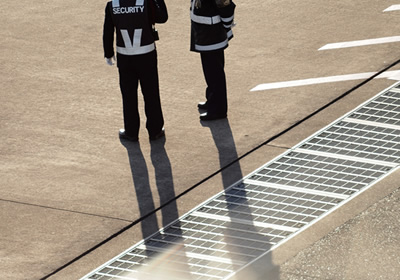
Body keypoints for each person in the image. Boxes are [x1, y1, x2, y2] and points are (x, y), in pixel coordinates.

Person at [103, 0, 168, 141]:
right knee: (151, 93)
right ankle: (155, 130)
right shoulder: (146, 2)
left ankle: (131, 132)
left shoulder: (112, 5)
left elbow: (108, 31)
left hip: (125, 58)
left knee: (128, 96)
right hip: (147, 56)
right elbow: (162, 17)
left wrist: (108, 53)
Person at [190, 0, 236, 121]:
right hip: (204, 32)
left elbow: (225, 5)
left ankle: (218, 110)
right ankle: (212, 100)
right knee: (210, 72)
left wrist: (227, 25)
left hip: (212, 33)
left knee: (215, 74)